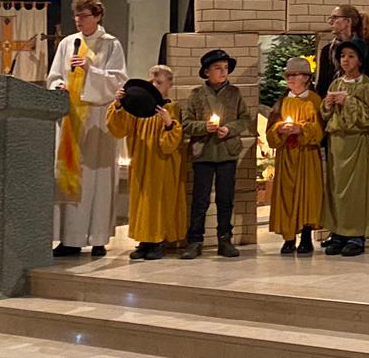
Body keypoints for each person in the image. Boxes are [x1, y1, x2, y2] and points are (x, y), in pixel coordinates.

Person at [49, 0, 128, 258]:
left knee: (98, 179)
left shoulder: (110, 45)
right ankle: (70, 240)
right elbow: (55, 74)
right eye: (76, 16)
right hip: (72, 118)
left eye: (83, 15)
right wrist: (58, 85)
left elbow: (118, 81)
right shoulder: (67, 43)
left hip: (98, 120)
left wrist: (91, 70)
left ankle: (98, 238)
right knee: (71, 177)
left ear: (97, 16)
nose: (78, 20)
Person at [105, 67, 186, 261]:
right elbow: (119, 130)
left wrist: (168, 123)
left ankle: (158, 241)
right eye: (151, 82)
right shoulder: (139, 109)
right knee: (142, 201)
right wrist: (118, 105)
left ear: (169, 85)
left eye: (159, 82)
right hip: (141, 162)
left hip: (162, 165)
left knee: (158, 201)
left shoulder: (172, 108)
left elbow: (172, 143)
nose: (154, 86)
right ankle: (144, 240)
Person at [179, 49, 253, 259]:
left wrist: (229, 129)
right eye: (218, 68)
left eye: (226, 68)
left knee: (225, 198)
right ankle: (195, 240)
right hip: (203, 154)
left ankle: (225, 239)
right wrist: (205, 126)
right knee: (200, 199)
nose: (223, 72)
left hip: (227, 153)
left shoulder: (234, 93)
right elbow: (186, 124)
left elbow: (245, 119)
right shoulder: (196, 95)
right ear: (206, 72)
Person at [321, 40, 369, 256]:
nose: (346, 60)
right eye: (343, 56)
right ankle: (337, 232)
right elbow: (326, 114)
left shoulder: (366, 85)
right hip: (337, 141)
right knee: (336, 188)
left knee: (354, 190)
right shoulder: (336, 84)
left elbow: (368, 116)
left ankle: (355, 234)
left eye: (351, 56)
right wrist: (326, 105)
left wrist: (349, 102)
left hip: (355, 141)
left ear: (360, 60)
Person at [267, 57, 324, 256]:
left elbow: (321, 130)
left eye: (295, 75)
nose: (290, 79)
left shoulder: (315, 101)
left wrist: (302, 129)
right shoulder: (282, 102)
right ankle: (289, 238)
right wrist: (279, 129)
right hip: (286, 156)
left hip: (307, 155)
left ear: (306, 78)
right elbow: (270, 130)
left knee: (307, 194)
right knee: (287, 195)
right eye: (288, 75)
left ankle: (306, 236)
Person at [315, 5, 369, 95]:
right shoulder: (327, 50)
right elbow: (322, 83)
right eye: (330, 18)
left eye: (335, 18)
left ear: (348, 21)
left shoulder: (365, 48)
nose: (330, 22)